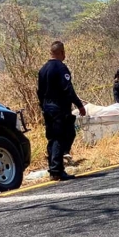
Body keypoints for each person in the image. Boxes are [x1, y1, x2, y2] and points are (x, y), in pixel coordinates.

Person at [37, 40, 86, 181]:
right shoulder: (61, 68)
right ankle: (58, 170)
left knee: (52, 138)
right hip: (59, 108)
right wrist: (79, 105)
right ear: (61, 52)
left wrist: (43, 107)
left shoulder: (42, 69)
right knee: (62, 136)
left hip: (47, 107)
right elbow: (68, 89)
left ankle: (53, 170)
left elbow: (39, 92)